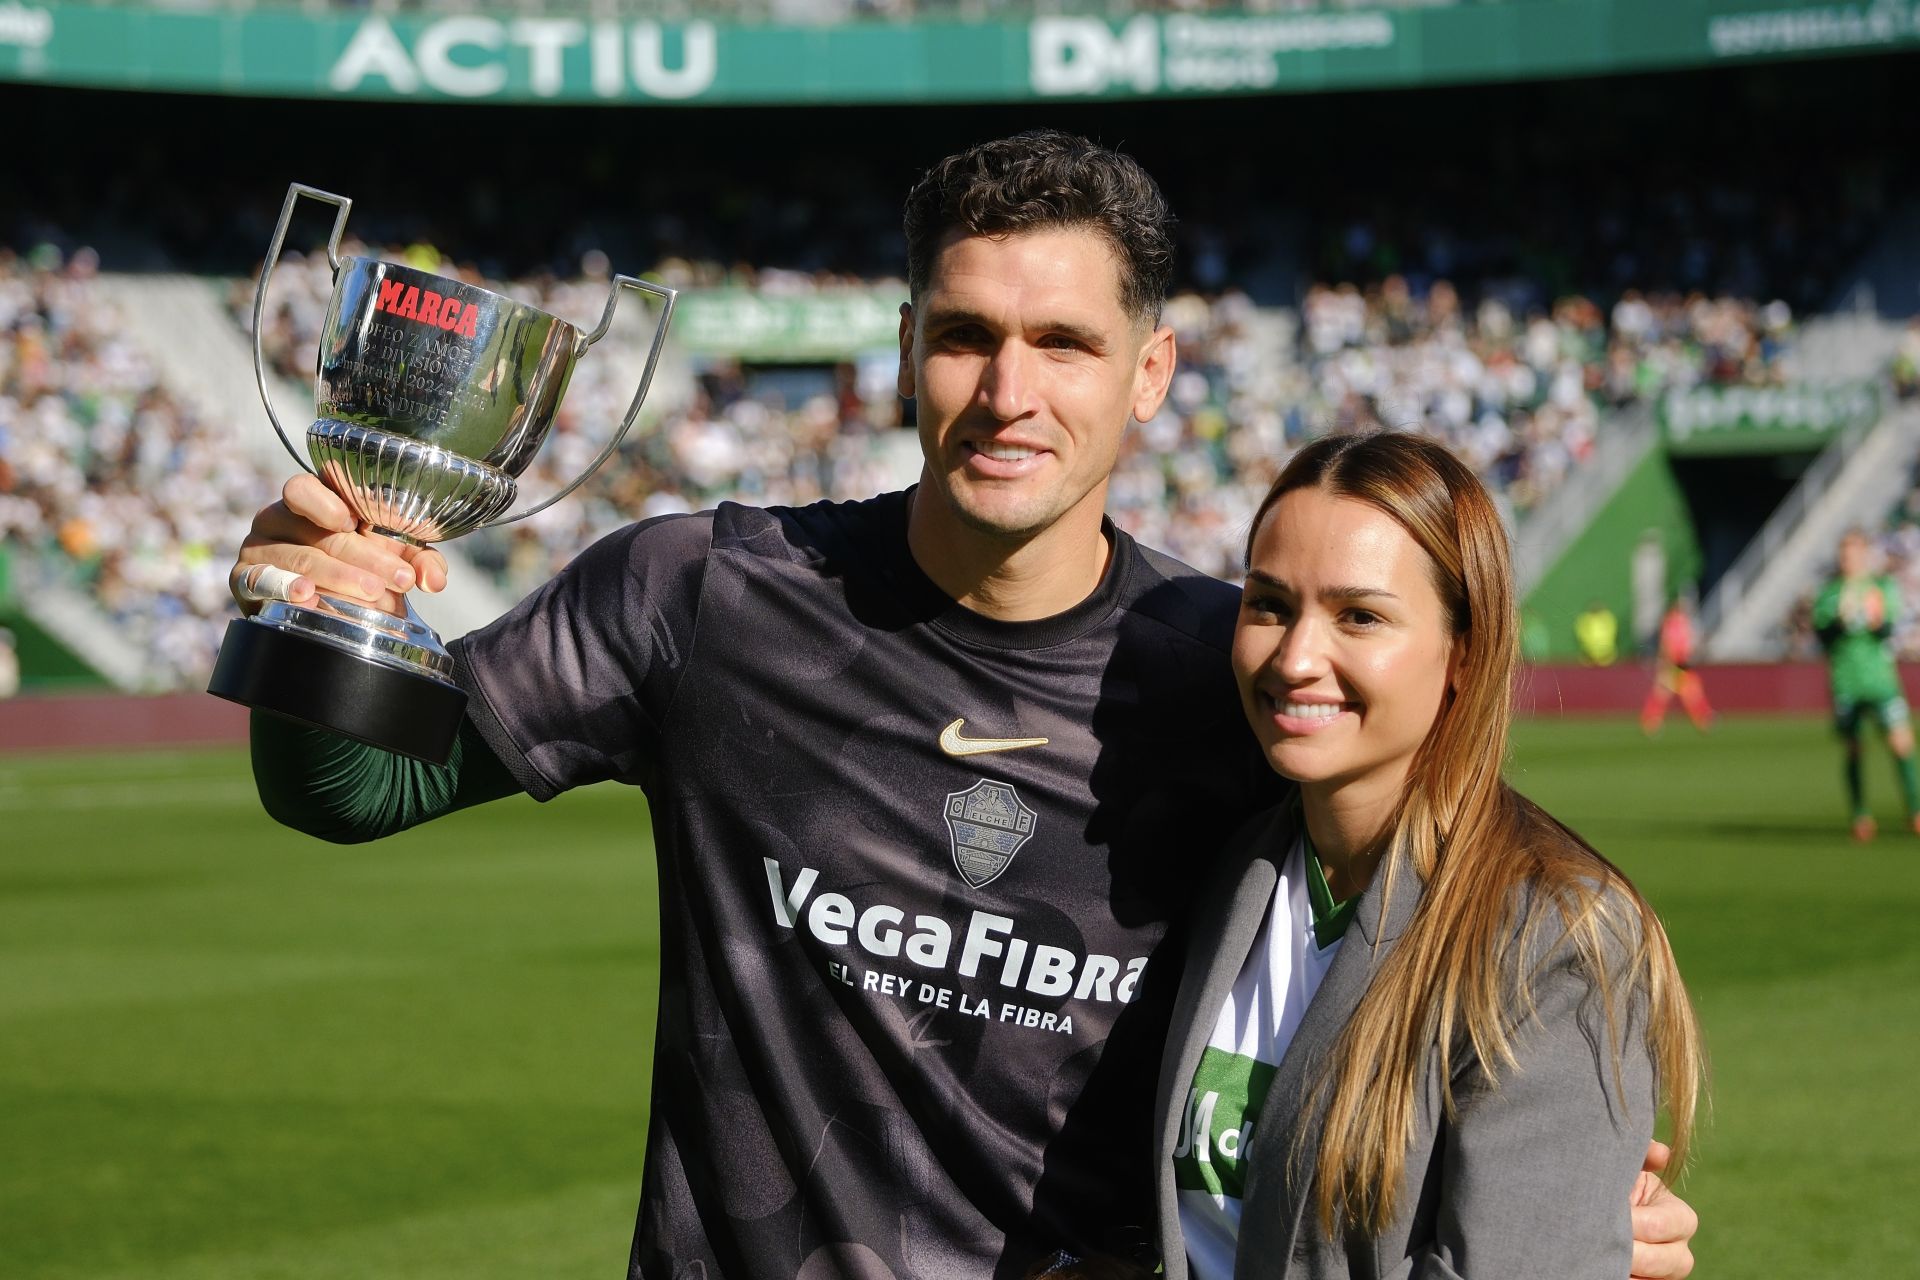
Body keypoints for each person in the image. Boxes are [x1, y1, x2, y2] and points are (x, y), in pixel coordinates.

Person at [228, 133, 1698, 1278]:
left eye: (1064, 343)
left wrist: (1554, 1208)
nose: (1010, 389)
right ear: (904, 349)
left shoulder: (1226, 673)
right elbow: (351, 792)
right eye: (964, 335)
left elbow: (1410, 953)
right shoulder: (704, 596)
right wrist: (312, 617)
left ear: (1151, 374)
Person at [1153, 432, 1702, 1279]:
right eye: (1268, 604)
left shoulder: (1554, 938)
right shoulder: (1235, 869)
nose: (1296, 658)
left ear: (1464, 655)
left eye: (1360, 616)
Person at [1813, 528, 1920, 841]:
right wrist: (1838, 622)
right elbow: (1823, 637)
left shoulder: (1881, 587)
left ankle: (1915, 810)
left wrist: (1876, 621)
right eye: (1845, 553)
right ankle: (1860, 814)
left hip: (1881, 680)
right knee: (1855, 748)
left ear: (1864, 555)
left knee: (1901, 743)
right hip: (1846, 680)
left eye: (1855, 553)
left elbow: (1888, 629)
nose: (1849, 559)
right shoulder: (1829, 593)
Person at [1640, 594, 1713, 734]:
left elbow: (1686, 643)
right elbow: (1666, 644)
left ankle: (1703, 717)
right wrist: (1666, 660)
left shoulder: (1683, 621)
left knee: (1687, 690)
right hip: (1673, 663)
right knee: (1667, 692)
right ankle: (1651, 719)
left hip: (1681, 662)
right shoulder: (1671, 622)